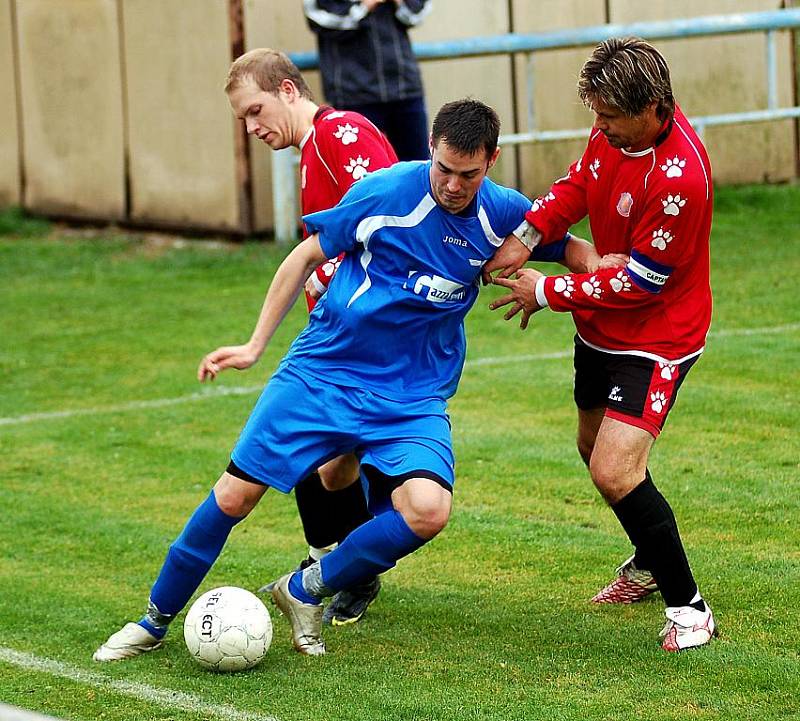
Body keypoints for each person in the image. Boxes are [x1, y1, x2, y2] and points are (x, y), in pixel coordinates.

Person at [93, 97, 604, 661]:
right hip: (326, 372)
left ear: (491, 162)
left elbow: (572, 247)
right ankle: (153, 620)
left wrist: (603, 276)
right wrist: (254, 344)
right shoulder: (384, 193)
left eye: (469, 174)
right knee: (236, 495)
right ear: (430, 151)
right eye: (444, 169)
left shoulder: (504, 212)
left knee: (428, 509)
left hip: (412, 396)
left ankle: (305, 589)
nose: (454, 186)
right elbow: (302, 258)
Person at [485, 37, 716, 652]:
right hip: (600, 326)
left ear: (652, 107)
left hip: (658, 337)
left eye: (610, 116)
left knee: (616, 469)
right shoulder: (609, 134)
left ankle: (690, 610)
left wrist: (551, 290)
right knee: (593, 449)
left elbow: (643, 281)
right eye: (597, 114)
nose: (600, 126)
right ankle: (647, 560)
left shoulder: (681, 179)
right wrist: (528, 233)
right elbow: (575, 187)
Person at [217, 47, 400, 627]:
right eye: (243, 119)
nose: (251, 128)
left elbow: (381, 226)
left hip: (364, 335)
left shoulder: (338, 136)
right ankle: (342, 568)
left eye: (254, 110)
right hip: (345, 331)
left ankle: (342, 569)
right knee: (329, 465)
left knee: (313, 450)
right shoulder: (316, 147)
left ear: (288, 91)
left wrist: (326, 283)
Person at [303, 0, 431, 161]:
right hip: (353, 93)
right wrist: (363, 7)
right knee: (362, 171)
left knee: (418, 167)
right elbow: (316, 16)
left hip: (404, 86)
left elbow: (419, 11)